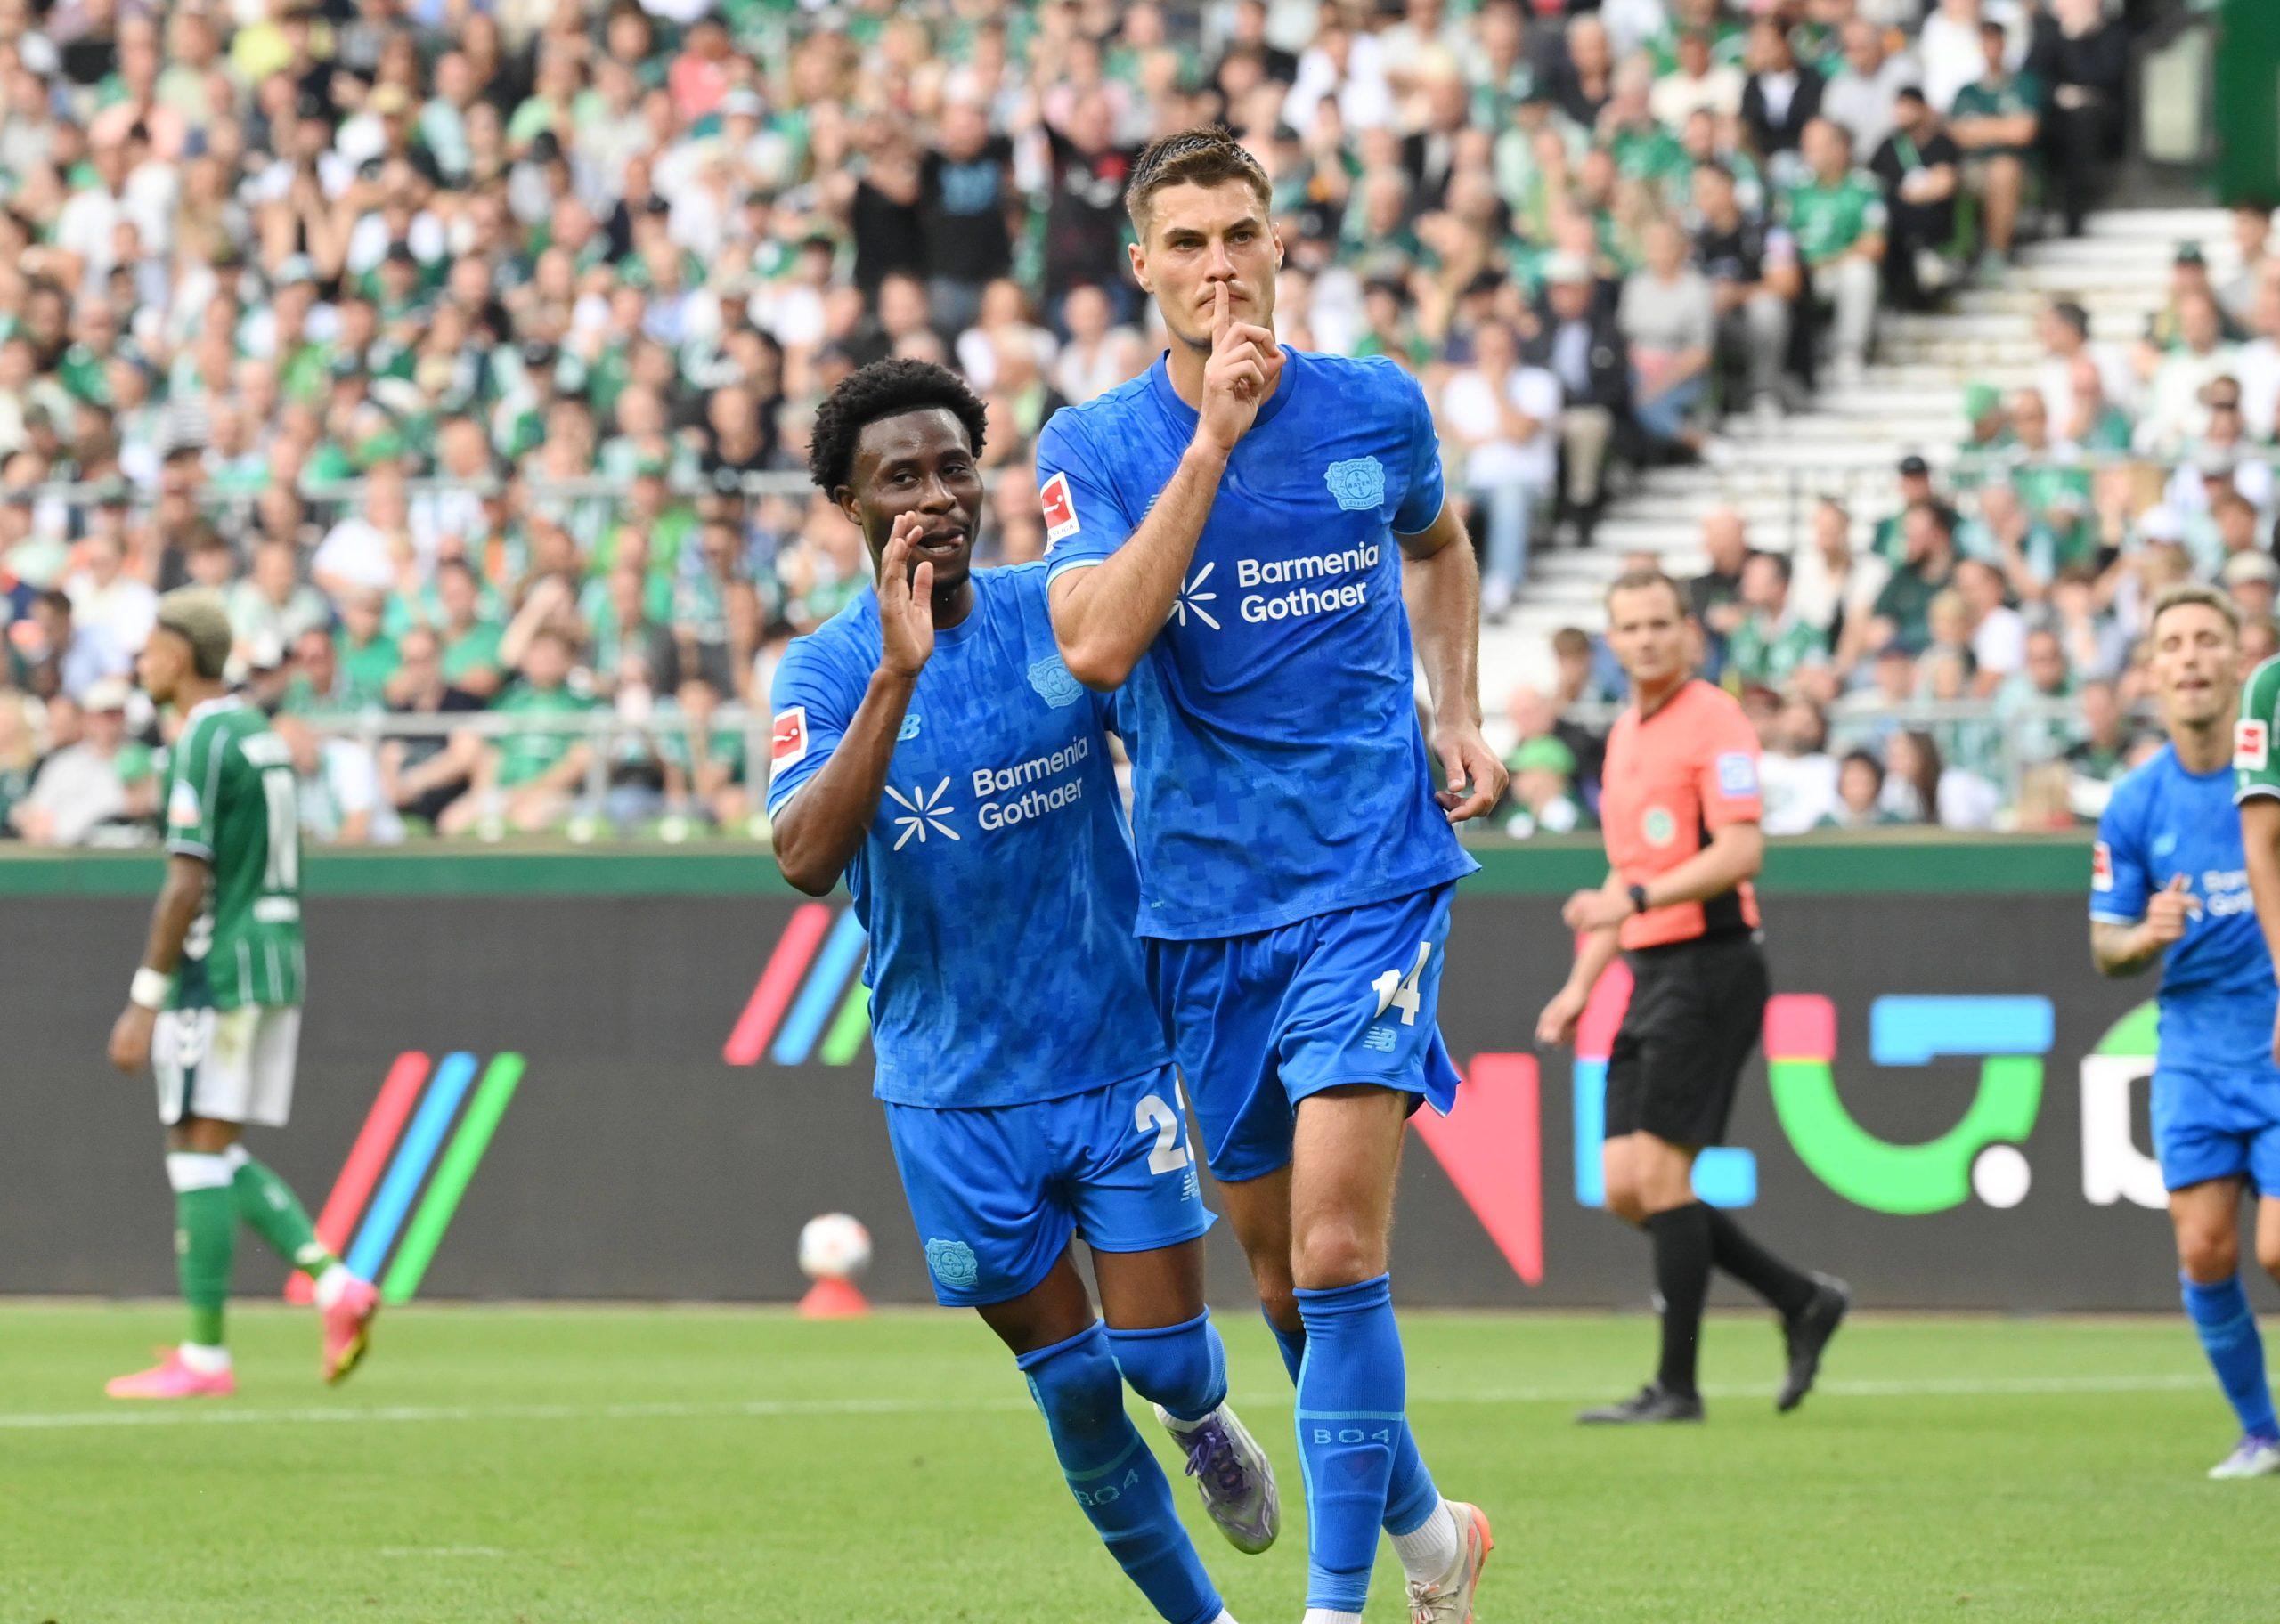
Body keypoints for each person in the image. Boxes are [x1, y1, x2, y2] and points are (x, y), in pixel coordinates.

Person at [1036, 129, 1500, 1624]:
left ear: (1280, 241)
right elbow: (1099, 643)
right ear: (1143, 265)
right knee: (1284, 1279)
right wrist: (1216, 441)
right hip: (1201, 903)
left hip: (1372, 870)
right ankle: (1436, 1541)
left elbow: (1439, 546)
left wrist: (1461, 704)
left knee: (1340, 1240)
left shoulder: (1377, 405)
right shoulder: (1092, 448)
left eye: (1240, 233)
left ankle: (1337, 1605)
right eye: (1186, 242)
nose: (1219, 265)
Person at [767, 359, 1276, 1624]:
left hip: (1110, 1056)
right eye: (902, 478)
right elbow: (804, 860)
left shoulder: (1055, 613)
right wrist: (896, 671)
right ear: (849, 504)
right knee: (1078, 1394)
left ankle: (1207, 1419)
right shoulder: (824, 676)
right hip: (952, 1096)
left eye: (954, 466)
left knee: (1159, 1360)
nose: (936, 495)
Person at [1536, 568, 1847, 1425]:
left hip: (1712, 964)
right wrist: (1579, 983)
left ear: (1688, 633)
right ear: (1612, 640)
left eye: (1658, 624)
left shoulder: (1716, 719)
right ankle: (1800, 1298)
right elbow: (1626, 875)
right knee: (1625, 1185)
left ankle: (1678, 1387)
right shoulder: (1627, 734)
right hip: (1652, 971)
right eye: (1627, 626)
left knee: (1663, 1181)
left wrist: (1631, 905)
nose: (1643, 639)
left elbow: (1741, 851)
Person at [101, 588, 379, 1400]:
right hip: (274, 953)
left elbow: (188, 877)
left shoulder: (202, 740)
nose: (141, 662)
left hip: (218, 965)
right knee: (213, 1148)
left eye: (151, 648)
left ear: (182, 654)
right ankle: (336, 1288)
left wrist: (144, 996)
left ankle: (207, 1357)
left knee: (193, 1150)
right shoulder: (257, 733)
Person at [2097, 586, 2280, 1478]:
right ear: (2154, 673)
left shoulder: (2268, 778)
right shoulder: (2134, 803)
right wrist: (2142, 935)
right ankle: (2261, 1432)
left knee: (2279, 1247)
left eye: (2209, 639)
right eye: (2173, 643)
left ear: (2239, 664)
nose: (2192, 657)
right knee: (2205, 1250)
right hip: (2196, 1050)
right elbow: (2103, 948)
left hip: (2276, 1039)